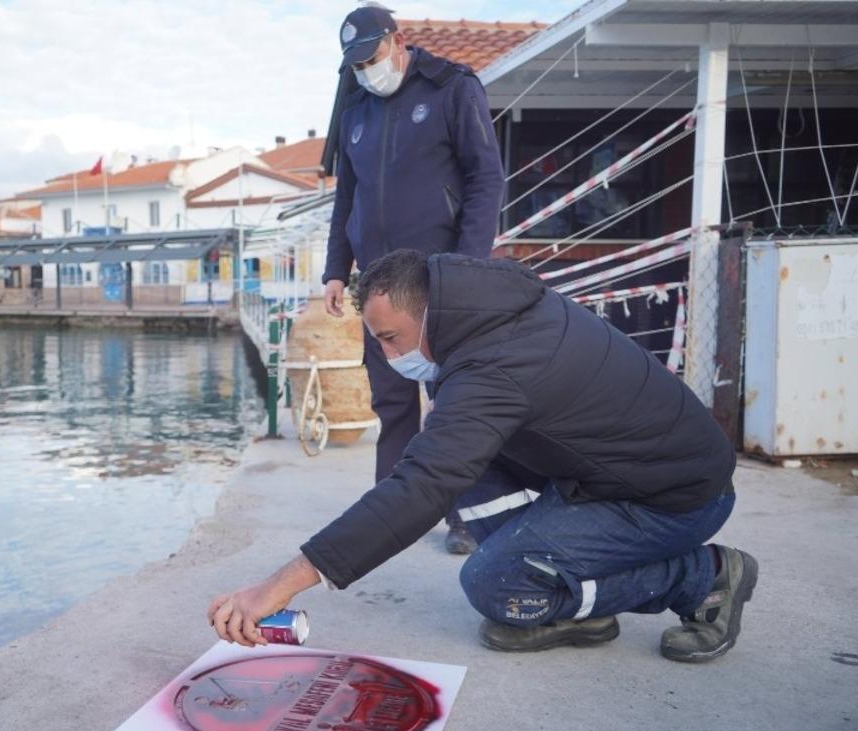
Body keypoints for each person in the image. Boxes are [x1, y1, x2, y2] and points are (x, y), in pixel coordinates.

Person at [209, 249, 758, 663]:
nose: (389, 355)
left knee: (496, 586)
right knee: (457, 460)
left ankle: (703, 576)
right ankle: (567, 599)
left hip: (674, 498)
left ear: (428, 314)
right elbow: (440, 464)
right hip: (615, 472)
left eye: (392, 338)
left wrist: (275, 587)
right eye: (377, 342)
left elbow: (420, 488)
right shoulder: (492, 314)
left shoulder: (494, 367)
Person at [323, 4, 505, 555]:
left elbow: (485, 178)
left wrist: (467, 266)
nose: (367, 71)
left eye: (372, 58)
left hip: (438, 280)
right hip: (378, 286)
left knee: (453, 403)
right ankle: (391, 513)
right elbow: (346, 198)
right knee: (392, 402)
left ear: (398, 41)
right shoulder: (354, 109)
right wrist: (336, 271)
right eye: (356, 65)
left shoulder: (452, 87)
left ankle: (468, 514)